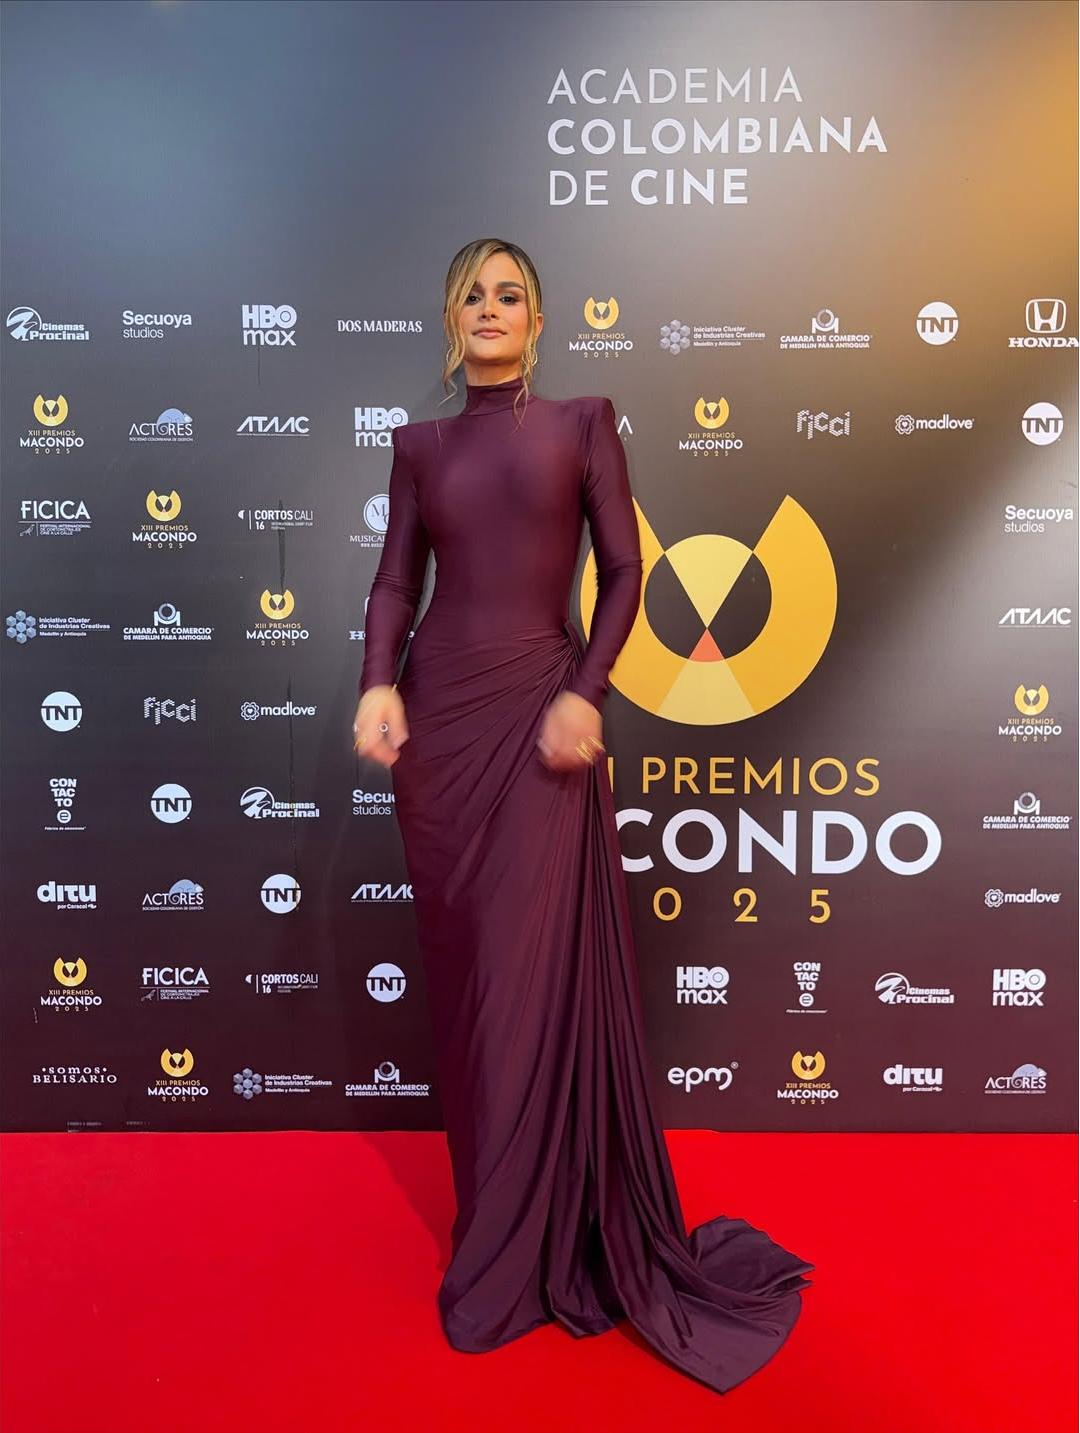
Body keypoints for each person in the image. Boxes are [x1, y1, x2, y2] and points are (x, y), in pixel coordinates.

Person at [352, 238, 814, 1394]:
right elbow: (398, 580)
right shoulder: (419, 447)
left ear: (539, 319)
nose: (490, 308)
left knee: (525, 982)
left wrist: (585, 692)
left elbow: (626, 570)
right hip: (441, 731)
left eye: (509, 294)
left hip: (540, 727)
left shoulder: (582, 423)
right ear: (450, 320)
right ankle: (496, 1219)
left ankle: (521, 1253)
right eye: (471, 294)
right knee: (470, 989)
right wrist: (375, 682)